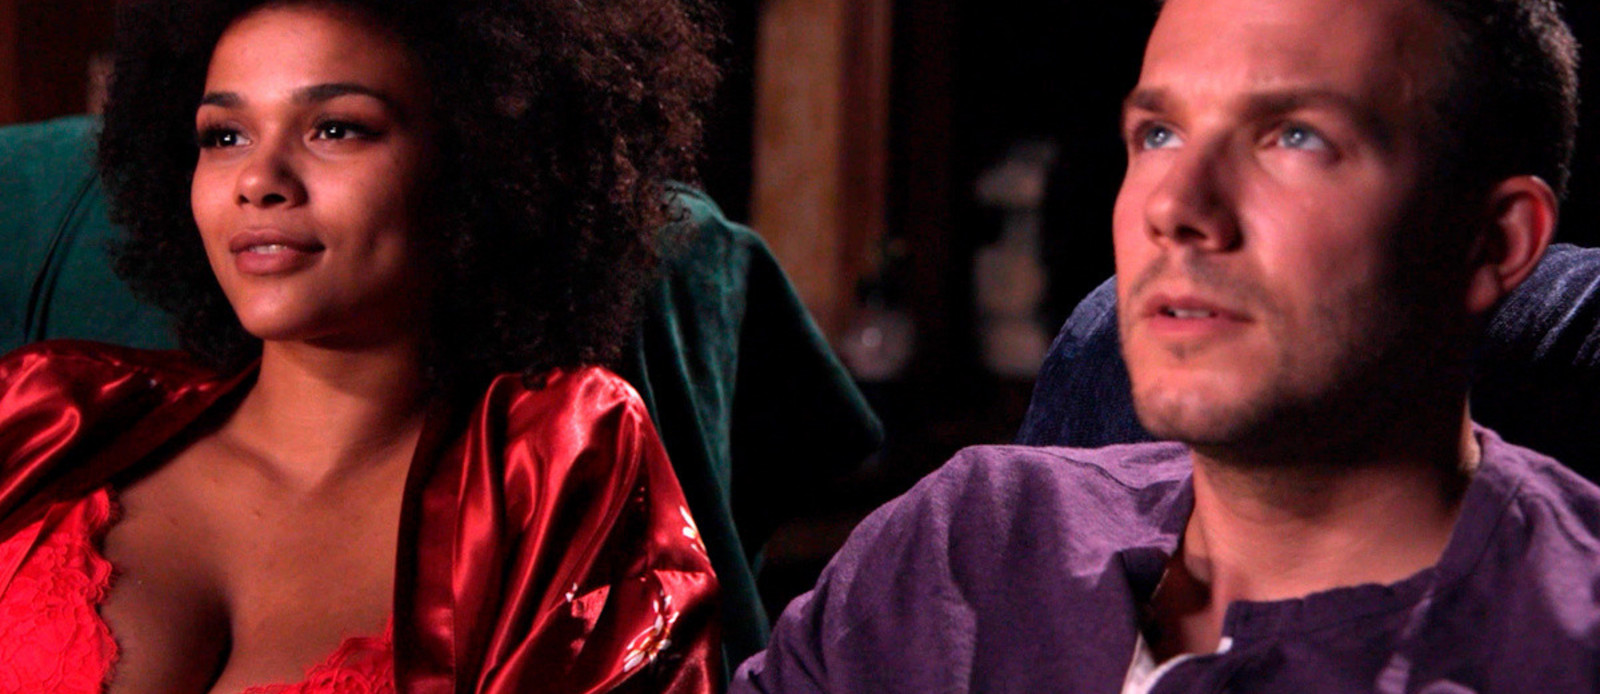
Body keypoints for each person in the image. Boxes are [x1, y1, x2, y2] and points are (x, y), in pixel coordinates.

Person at [733, 0, 1600, 691]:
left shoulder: (1567, 638)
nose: (1175, 206)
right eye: (1159, 134)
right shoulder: (973, 547)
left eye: (1294, 136)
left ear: (1492, 241)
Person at [0, 0, 724, 690]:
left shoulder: (558, 463)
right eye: (225, 136)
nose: (258, 180)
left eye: (336, 129)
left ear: (481, 157)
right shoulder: (45, 411)